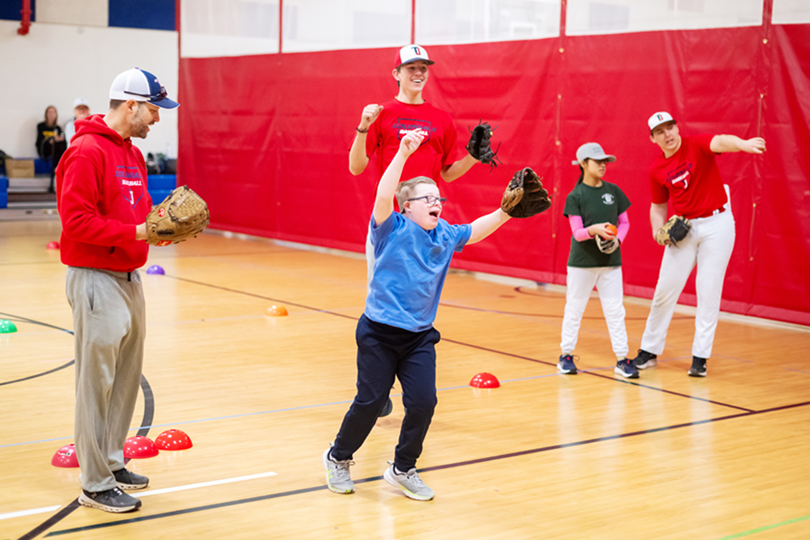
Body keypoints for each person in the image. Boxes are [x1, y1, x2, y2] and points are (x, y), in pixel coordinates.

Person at [323, 130, 517, 501]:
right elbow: (383, 194)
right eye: (426, 198)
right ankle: (338, 456)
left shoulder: (444, 233)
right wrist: (403, 153)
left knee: (424, 402)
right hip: (378, 333)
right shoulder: (390, 228)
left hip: (418, 338)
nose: (436, 202)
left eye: (438, 197)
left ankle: (402, 468)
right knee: (370, 401)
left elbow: (474, 231)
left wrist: (505, 211)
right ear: (406, 206)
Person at [56, 67, 179, 513]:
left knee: (125, 379)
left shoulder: (132, 155)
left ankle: (111, 461)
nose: (157, 119)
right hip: (94, 277)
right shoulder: (86, 151)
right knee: (96, 383)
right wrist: (140, 232)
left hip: (129, 276)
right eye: (153, 110)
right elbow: (77, 223)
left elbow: (140, 216)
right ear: (130, 104)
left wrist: (161, 229)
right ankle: (93, 483)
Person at [350, 44, 489, 417]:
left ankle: (406, 374)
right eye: (410, 67)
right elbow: (357, 167)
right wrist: (363, 127)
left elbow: (446, 174)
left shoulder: (441, 118)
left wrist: (473, 159)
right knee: (379, 307)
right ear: (396, 73)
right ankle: (374, 390)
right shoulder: (383, 113)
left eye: (423, 67)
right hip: (391, 223)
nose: (418, 73)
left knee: (418, 303)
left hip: (424, 227)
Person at [632, 112, 766, 377]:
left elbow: (720, 141)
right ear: (652, 138)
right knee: (664, 290)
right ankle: (648, 350)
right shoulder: (657, 169)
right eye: (660, 132)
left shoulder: (696, 145)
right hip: (685, 228)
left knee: (708, 290)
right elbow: (658, 206)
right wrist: (657, 230)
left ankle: (700, 357)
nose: (668, 134)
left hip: (718, 225)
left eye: (670, 127)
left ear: (677, 128)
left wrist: (742, 143)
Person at [559, 143, 637, 378]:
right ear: (583, 164)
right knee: (575, 308)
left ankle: (622, 359)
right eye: (597, 161)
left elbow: (624, 223)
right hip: (582, 263)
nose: (603, 165)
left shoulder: (613, 191)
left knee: (615, 311)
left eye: (605, 161)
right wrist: (595, 229)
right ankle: (566, 356)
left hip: (611, 262)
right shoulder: (576, 196)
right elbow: (578, 233)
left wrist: (618, 241)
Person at [36, 105, 67, 192]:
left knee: (60, 145)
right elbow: (39, 141)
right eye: (49, 112)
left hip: (55, 151)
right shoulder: (41, 126)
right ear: (46, 114)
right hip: (45, 150)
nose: (51, 114)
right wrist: (51, 140)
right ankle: (57, 169)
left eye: (53, 112)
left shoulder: (58, 128)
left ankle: (59, 166)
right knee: (54, 145)